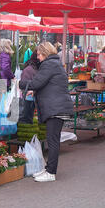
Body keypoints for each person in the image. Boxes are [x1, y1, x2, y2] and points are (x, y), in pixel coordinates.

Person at [19, 42, 74, 182]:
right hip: (57, 106)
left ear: (44, 53)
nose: (37, 57)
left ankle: (51, 172)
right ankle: (49, 168)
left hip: (56, 108)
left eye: (38, 54)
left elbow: (37, 82)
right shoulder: (55, 64)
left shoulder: (49, 65)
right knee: (53, 139)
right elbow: (46, 84)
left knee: (53, 140)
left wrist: (20, 84)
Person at [18, 49, 40, 124]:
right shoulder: (30, 69)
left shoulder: (36, 68)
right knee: (26, 120)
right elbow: (24, 85)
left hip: (32, 99)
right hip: (29, 100)